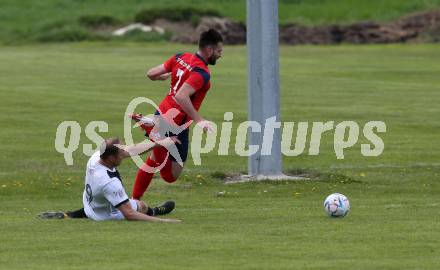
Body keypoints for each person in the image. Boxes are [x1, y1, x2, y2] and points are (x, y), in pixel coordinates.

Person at [129, 29, 223, 200]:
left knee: (154, 159)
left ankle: (134, 201)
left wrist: (163, 77)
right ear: (209, 50)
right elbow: (181, 95)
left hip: (161, 114)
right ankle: (159, 138)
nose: (220, 55)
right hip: (175, 124)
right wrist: (200, 120)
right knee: (171, 176)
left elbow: (150, 73)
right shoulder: (202, 73)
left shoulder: (180, 56)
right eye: (218, 51)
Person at [40, 138, 181, 223]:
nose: (124, 155)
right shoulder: (109, 183)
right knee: (141, 206)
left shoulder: (97, 157)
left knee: (101, 203)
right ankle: (155, 211)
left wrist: (160, 143)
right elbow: (129, 214)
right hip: (105, 215)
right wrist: (164, 221)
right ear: (111, 158)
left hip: (91, 204)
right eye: (120, 154)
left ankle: (70, 214)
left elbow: (131, 150)